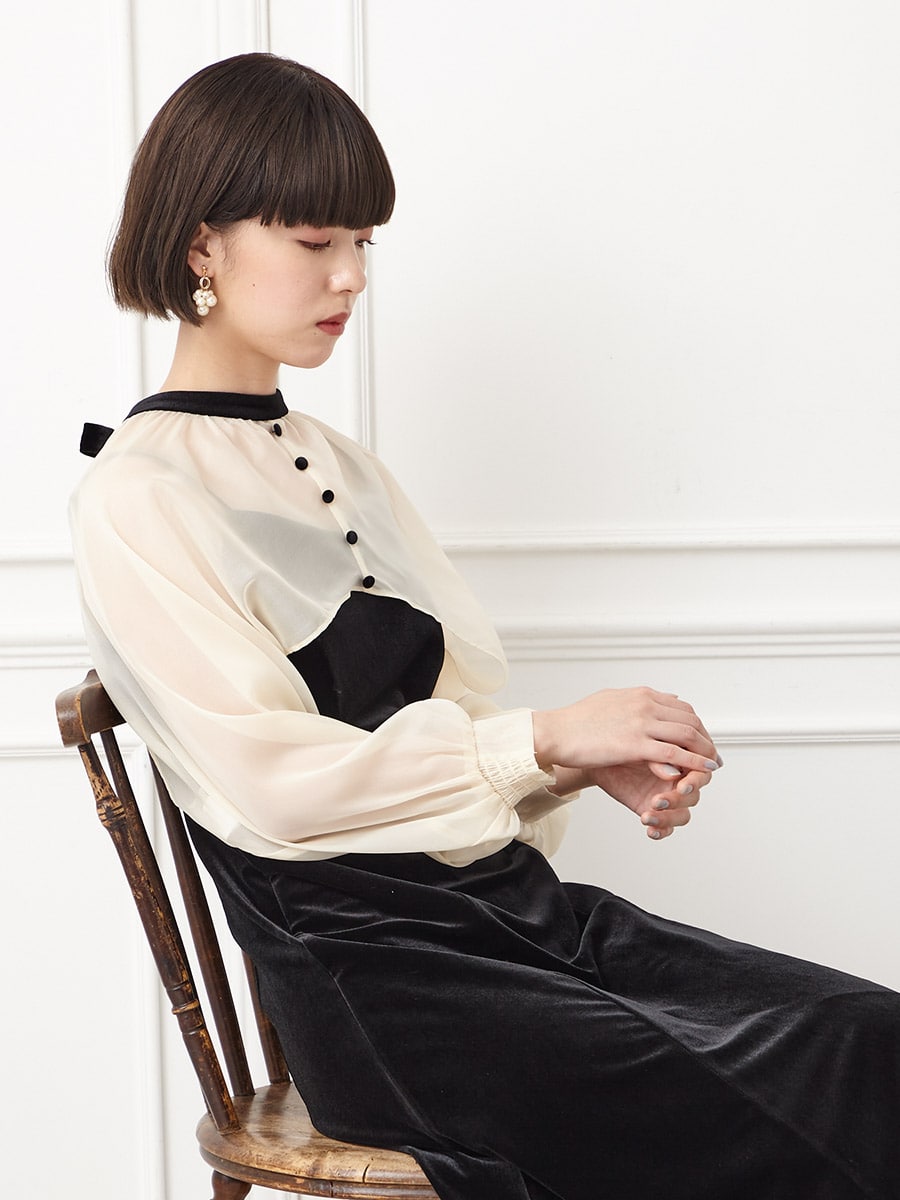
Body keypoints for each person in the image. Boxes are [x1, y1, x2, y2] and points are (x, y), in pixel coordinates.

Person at [70, 53, 898, 1200]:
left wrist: (574, 768)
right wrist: (546, 738)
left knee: (865, 1036)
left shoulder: (344, 467)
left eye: (364, 242)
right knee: (786, 1093)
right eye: (316, 240)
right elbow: (278, 787)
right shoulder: (140, 495)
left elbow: (449, 727)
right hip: (379, 981)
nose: (352, 275)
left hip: (514, 918)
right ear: (203, 245)